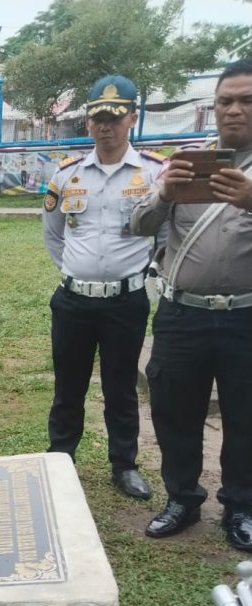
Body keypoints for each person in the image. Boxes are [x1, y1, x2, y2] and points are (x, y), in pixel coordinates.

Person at [131, 59, 252, 550]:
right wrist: (165, 194)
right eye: (226, 101)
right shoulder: (183, 161)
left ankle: (241, 505)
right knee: (173, 410)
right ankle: (181, 497)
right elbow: (138, 224)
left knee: (246, 416)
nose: (235, 111)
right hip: (183, 314)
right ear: (214, 107)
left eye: (247, 101)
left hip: (246, 317)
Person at [41, 74, 166, 501]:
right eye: (98, 117)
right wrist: (77, 273)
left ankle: (124, 465)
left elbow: (166, 235)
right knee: (68, 387)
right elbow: (53, 234)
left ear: (132, 117)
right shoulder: (67, 175)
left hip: (126, 302)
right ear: (88, 123)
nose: (106, 126)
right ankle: (61, 459)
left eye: (115, 116)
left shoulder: (153, 173)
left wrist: (139, 274)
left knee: (121, 389)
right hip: (73, 302)